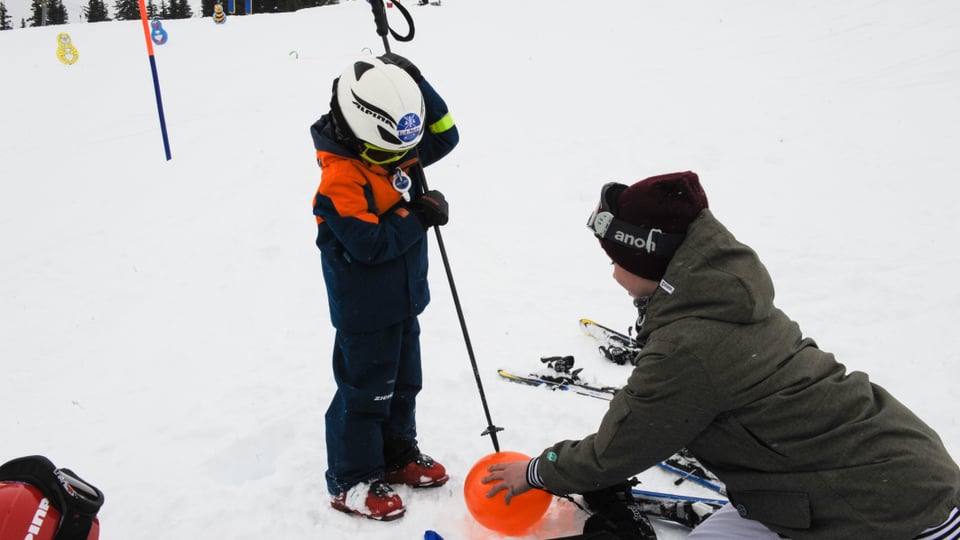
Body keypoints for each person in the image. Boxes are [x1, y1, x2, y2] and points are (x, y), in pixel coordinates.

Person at [483, 171, 960, 539]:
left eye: (615, 259)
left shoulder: (688, 347)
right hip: (876, 474)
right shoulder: (722, 296)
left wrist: (537, 471)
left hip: (893, 516)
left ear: (646, 259)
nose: (611, 272)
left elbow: (617, 450)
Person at [309, 52, 458, 521]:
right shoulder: (340, 179)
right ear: (357, 133)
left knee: (403, 385)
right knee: (365, 392)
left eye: (404, 151)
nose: (405, 162)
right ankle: (351, 479)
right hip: (364, 310)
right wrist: (417, 213)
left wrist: (414, 81)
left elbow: (444, 134)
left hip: (404, 299)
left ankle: (396, 455)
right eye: (390, 154)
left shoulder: (391, 145)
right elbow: (370, 243)